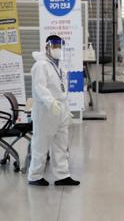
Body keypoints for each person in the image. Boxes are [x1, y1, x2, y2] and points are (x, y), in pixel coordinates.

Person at [28, 35, 80, 187]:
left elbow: (61, 89)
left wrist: (66, 109)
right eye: (54, 46)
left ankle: (62, 175)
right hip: (45, 110)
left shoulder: (59, 65)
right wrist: (51, 103)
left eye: (59, 46)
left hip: (60, 110)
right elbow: (39, 87)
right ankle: (35, 175)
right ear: (47, 47)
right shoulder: (41, 65)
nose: (57, 49)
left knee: (61, 144)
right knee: (41, 143)